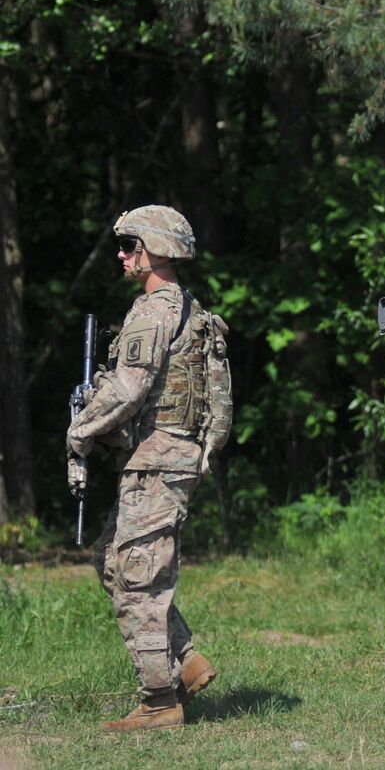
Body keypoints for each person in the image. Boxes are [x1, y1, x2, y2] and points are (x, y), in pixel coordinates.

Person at [67, 205, 228, 731]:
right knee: (114, 561)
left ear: (155, 250)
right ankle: (185, 661)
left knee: (138, 577)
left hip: (158, 461)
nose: (121, 254)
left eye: (129, 245)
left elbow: (129, 388)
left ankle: (159, 702)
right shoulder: (186, 308)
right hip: (162, 459)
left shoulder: (153, 310)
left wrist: (80, 428)